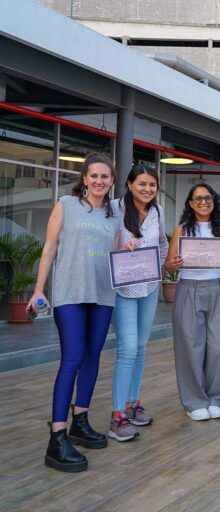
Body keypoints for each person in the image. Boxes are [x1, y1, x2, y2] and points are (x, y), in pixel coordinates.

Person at [29, 153, 120, 472]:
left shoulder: (114, 216)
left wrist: (129, 251)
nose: (99, 181)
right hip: (70, 294)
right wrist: (39, 290)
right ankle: (57, 437)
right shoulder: (66, 205)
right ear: (84, 179)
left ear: (112, 181)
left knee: (92, 357)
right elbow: (50, 247)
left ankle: (80, 420)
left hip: (103, 295)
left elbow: (115, 255)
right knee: (73, 357)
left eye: (105, 177)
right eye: (94, 176)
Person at [109, 164, 178, 441]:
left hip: (149, 286)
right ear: (129, 184)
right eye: (142, 184)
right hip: (123, 288)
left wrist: (161, 268)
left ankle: (132, 403)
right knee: (127, 349)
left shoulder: (157, 210)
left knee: (139, 348)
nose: (147, 189)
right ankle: (117, 415)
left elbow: (162, 243)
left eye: (152, 184)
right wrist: (119, 248)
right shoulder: (114, 209)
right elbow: (103, 245)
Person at [166, 183, 220, 421]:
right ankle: (194, 401)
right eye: (198, 198)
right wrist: (173, 264)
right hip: (189, 289)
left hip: (216, 288)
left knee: (217, 347)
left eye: (208, 197)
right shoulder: (181, 230)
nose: (204, 202)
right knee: (191, 347)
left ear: (214, 201)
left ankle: (217, 398)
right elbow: (168, 265)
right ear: (191, 204)